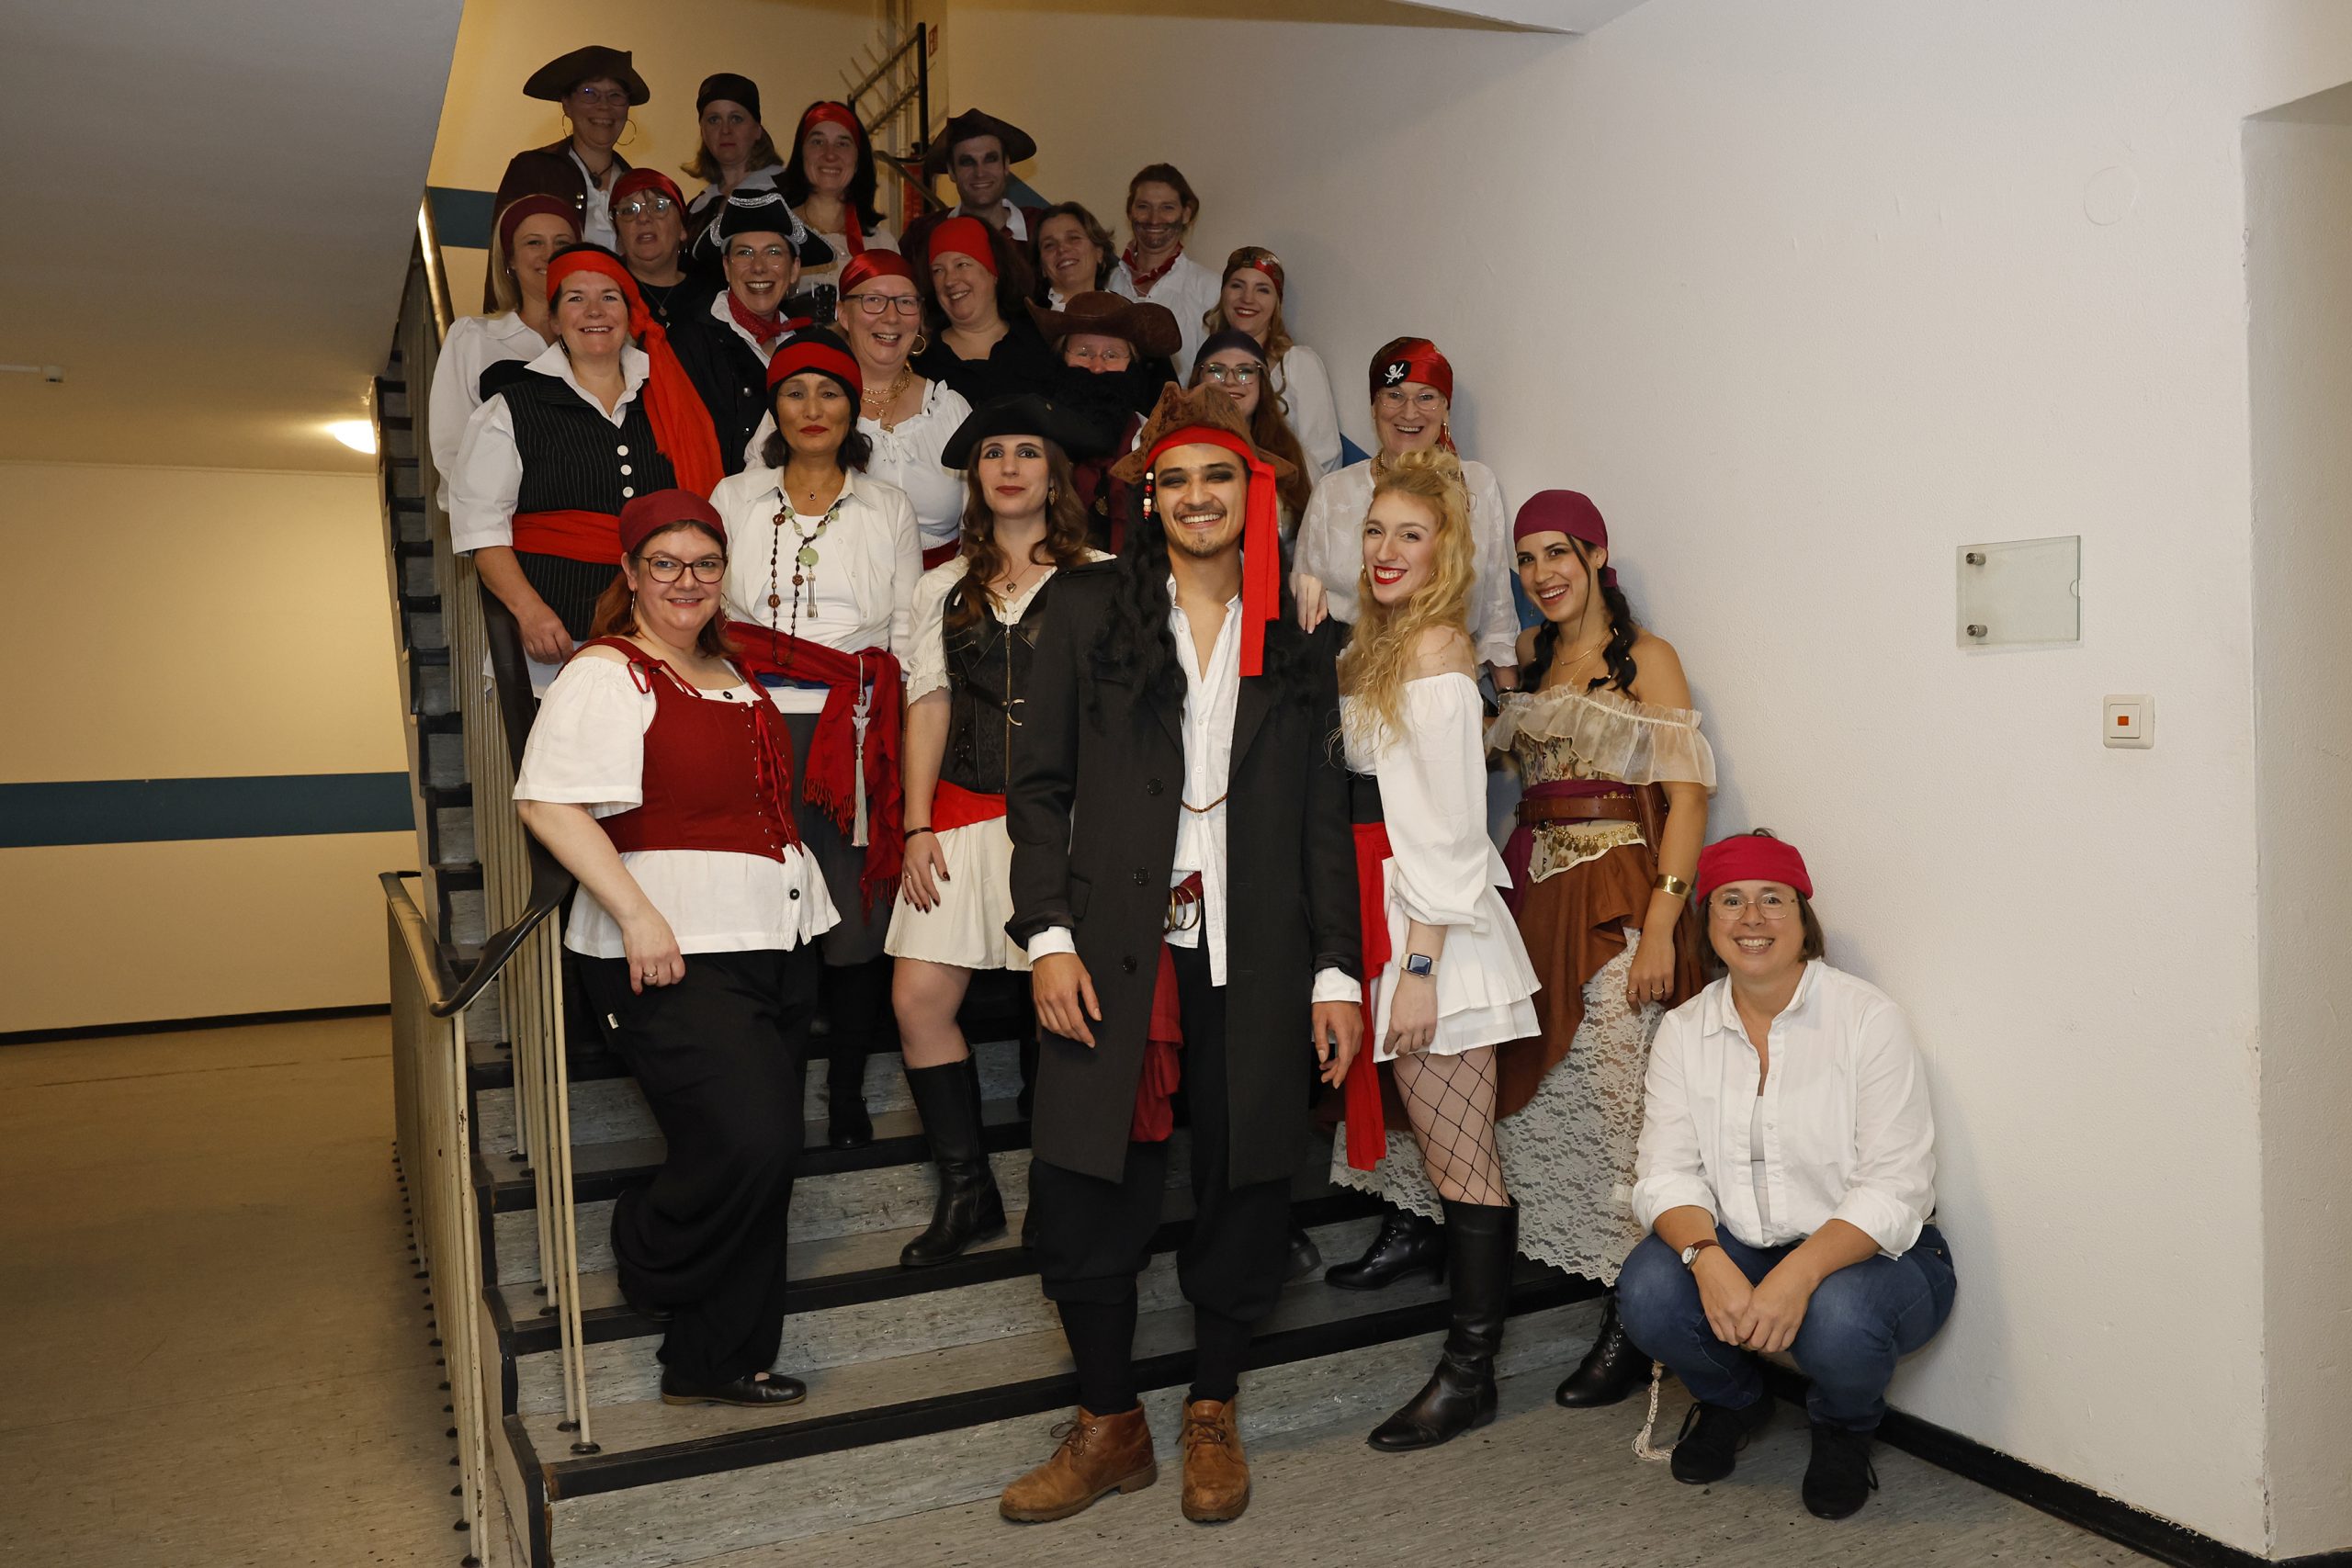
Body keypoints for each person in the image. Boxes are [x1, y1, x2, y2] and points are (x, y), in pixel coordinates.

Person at [998, 382, 1363, 1527]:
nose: (1197, 496)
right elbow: (1037, 790)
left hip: (1257, 950)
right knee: (1081, 1184)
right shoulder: (1084, 608)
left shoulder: (1299, 630)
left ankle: (1213, 1408)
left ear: (1254, 491)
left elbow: (1324, 815)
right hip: (1111, 947)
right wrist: (1046, 936)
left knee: (1245, 1183)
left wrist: (1337, 970)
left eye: (1218, 477)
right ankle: (1109, 1424)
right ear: (1147, 497)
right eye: (1175, 479)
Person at [1332, 490, 1714, 1405]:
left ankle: (1635, 1312)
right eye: (1529, 557)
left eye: (1559, 553)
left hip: (1619, 887)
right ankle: (1503, 1262)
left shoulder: (1648, 656)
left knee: (1620, 1105)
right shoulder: (1529, 657)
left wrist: (1663, 925)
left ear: (1595, 556)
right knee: (1536, 1100)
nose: (1543, 572)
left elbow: (1688, 795)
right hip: (1534, 880)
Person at [513, 490, 834, 1407]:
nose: (686, 580)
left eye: (704, 563)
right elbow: (546, 803)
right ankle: (647, 1244)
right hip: (672, 948)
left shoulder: (726, 667)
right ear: (629, 573)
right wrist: (637, 913)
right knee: (750, 1139)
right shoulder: (607, 672)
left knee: (768, 1155)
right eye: (665, 564)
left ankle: (716, 1358)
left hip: (776, 937)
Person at [1620, 830, 1950, 1522]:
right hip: (1740, 1242)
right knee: (1647, 1289)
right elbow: (1665, 1174)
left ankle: (1844, 1426)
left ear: (1804, 920)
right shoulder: (1684, 1031)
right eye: (1731, 901)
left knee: (1839, 1317)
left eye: (1773, 899)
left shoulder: (1868, 1020)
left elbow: (1896, 1189)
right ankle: (1736, 1402)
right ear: (1708, 923)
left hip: (1880, 1257)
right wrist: (1706, 1259)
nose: (1752, 918)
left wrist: (1797, 1275)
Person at [1327, 450, 1541, 1451]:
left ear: (1446, 550)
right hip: (1397, 920)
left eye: (1409, 535)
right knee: (1457, 1164)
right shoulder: (1381, 644)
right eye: (1376, 530)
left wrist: (1416, 969)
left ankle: (1469, 1376)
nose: (1386, 549)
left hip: (1435, 939)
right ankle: (1469, 1367)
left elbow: (1453, 830)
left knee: (1466, 1169)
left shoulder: (1440, 650)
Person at [886, 395, 1108, 1267]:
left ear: (1055, 473)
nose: (1009, 466)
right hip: (962, 815)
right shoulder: (939, 586)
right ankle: (967, 1190)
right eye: (992, 454)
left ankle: (1058, 1191)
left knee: (1064, 1009)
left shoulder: (1104, 576)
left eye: (1026, 451)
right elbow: (929, 705)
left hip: (1067, 822)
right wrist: (914, 824)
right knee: (917, 1000)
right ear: (975, 478)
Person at [711, 328, 921, 1150]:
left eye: (830, 392)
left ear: (851, 408)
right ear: (774, 407)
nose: (812, 407)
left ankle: (845, 1090)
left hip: (853, 733)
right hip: (754, 724)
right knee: (773, 911)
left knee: (854, 921)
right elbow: (708, 614)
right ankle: (777, 1091)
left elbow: (906, 633)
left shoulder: (887, 506)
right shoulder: (734, 497)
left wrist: (895, 739)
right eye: (795, 392)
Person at [448, 244, 726, 693]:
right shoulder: (511, 409)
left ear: (630, 314)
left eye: (609, 297)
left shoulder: (673, 401)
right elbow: (482, 530)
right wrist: (529, 612)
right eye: (576, 298)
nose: (595, 311)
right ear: (555, 320)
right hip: (557, 644)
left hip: (666, 643)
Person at [1293, 338, 1519, 685]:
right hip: (1348, 685)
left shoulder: (1477, 485)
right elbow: (1303, 602)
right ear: (1373, 407)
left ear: (1446, 409)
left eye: (1426, 397)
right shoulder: (1332, 492)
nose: (1409, 412)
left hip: (1445, 677)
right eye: (1394, 395)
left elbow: (1496, 617)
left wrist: (1506, 703)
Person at [743, 252, 976, 568]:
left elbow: (979, 525)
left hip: (938, 589)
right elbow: (754, 506)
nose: (891, 317)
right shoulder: (801, 405)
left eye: (906, 302)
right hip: (825, 584)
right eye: (873, 300)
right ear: (843, 313)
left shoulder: (948, 409)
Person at [672, 191, 836, 474]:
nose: (759, 267)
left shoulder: (810, 345)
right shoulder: (688, 341)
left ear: (794, 269)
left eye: (773, 253)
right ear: (726, 267)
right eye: (744, 253)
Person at [429, 196, 576, 511]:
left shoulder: (603, 342)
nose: (550, 254)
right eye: (534, 242)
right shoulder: (473, 337)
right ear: (510, 259)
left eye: (562, 243)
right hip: (502, 521)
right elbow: (452, 447)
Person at [486, 46, 643, 308]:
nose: (604, 106)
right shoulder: (532, 169)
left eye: (615, 95)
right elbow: (503, 257)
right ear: (566, 104)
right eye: (589, 93)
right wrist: (503, 322)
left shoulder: (636, 186)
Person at [1029, 290, 1182, 553]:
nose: (1097, 367)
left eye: (1112, 355)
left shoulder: (1159, 444)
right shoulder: (1031, 442)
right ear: (1061, 358)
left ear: (1133, 365)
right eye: (1084, 352)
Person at [1197, 248, 1342, 476]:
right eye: (1237, 286)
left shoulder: (1297, 363)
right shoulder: (1208, 359)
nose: (1247, 298)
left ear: (1277, 302)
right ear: (1223, 293)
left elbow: (1325, 458)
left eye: (1262, 290)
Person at [911, 217, 1060, 409]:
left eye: (961, 264)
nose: (949, 281)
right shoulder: (921, 363)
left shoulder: (1041, 345)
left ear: (994, 272)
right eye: (938, 271)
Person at [1187, 331, 1313, 538]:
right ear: (1197, 380)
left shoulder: (1290, 456)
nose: (1230, 381)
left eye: (1245, 371)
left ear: (1262, 385)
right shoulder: (1174, 450)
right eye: (1216, 370)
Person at [780, 100, 900, 300]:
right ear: (801, 154)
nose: (830, 155)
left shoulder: (881, 244)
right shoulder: (778, 235)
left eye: (842, 143)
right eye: (818, 142)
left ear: (858, 160)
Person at [1109, 164, 1219, 378]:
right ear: (1130, 212)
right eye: (1143, 206)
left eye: (1167, 207)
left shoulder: (1211, 289)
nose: (1154, 218)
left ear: (1186, 214)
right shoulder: (1105, 282)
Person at [900, 108, 1047, 263]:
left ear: (1006, 166)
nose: (980, 173)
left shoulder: (1040, 228)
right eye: (967, 162)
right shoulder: (921, 236)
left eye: (990, 159)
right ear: (951, 172)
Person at [681, 73, 786, 246]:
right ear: (702, 132)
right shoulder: (696, 210)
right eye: (714, 120)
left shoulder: (787, 194)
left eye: (736, 119)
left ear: (757, 129)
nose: (725, 130)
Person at [610, 169, 702, 328]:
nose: (643, 218)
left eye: (658, 207)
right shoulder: (606, 295)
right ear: (619, 233)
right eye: (629, 210)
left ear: (682, 228)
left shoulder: (713, 300)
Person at [1034, 201, 1116, 308]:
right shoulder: (1026, 317)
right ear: (1042, 267)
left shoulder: (1127, 311)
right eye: (1049, 245)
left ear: (1099, 252)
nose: (1062, 249)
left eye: (1073, 238)